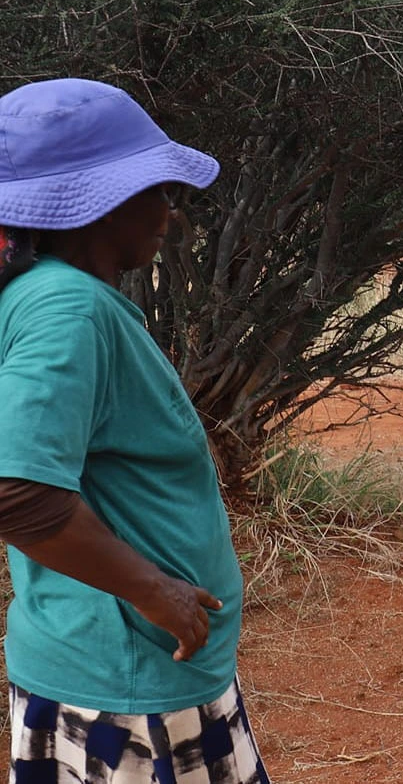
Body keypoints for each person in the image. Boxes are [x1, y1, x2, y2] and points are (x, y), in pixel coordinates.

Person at [0, 79, 269, 782]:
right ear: (95, 201)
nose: (171, 212)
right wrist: (155, 590)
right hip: (126, 695)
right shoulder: (69, 311)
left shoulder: (54, 298)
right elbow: (16, 490)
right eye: (158, 189)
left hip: (114, 674)